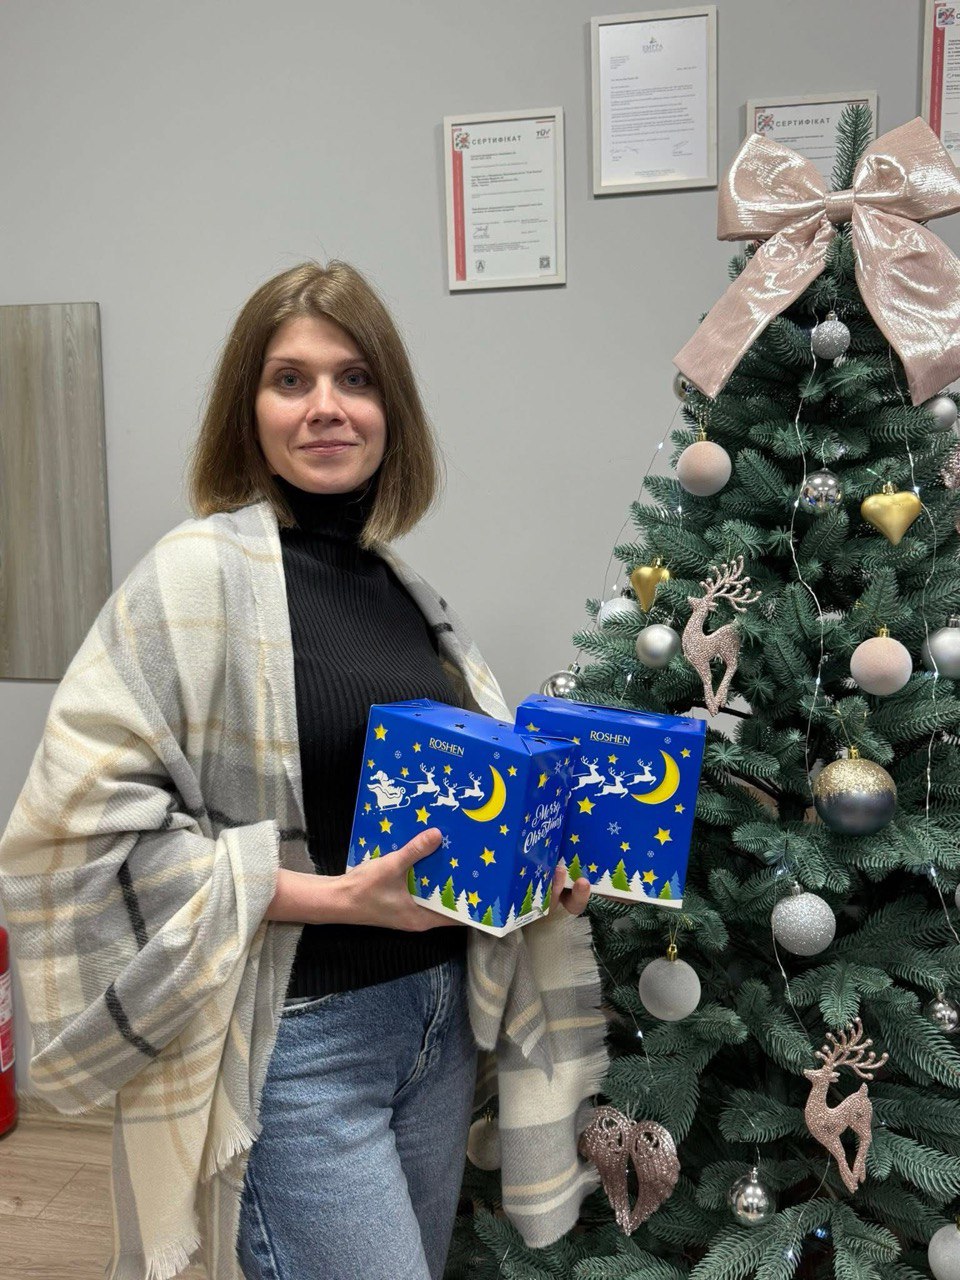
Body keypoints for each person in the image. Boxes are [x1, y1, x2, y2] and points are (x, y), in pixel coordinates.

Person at [0, 261, 606, 1280]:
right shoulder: (193, 578)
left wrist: (532, 866)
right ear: (249, 411)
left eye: (355, 378)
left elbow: (461, 808)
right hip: (300, 1041)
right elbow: (72, 828)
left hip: (439, 1023)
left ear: (390, 410)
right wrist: (329, 897)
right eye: (291, 379)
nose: (327, 406)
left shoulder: (408, 592)